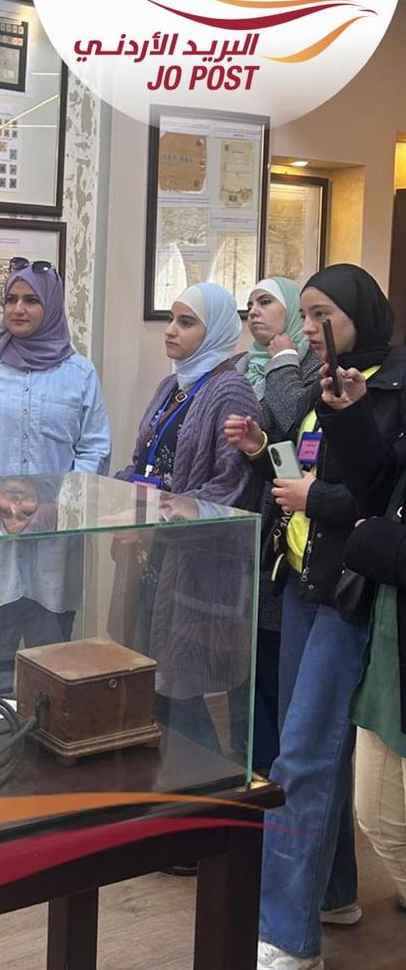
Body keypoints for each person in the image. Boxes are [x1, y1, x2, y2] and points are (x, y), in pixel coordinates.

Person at [224, 264, 406, 970]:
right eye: (303, 314)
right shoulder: (322, 383)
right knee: (313, 755)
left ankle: (284, 938)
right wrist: (258, 456)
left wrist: (317, 496)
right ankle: (329, 896)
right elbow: (301, 469)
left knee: (302, 757)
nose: (308, 328)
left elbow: (374, 500)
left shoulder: (391, 386)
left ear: (361, 313)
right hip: (304, 581)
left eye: (321, 313)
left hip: (351, 594)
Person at [0, 258, 111, 693]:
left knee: (52, 659)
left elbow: (95, 448)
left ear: (51, 306)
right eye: (11, 299)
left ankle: (46, 735)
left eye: (31, 300)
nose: (18, 309)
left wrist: (54, 507)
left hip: (54, 540)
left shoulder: (80, 374)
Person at [114, 282, 261, 756]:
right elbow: (144, 461)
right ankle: (165, 779)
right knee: (153, 682)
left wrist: (161, 512)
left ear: (215, 329)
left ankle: (207, 782)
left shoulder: (232, 392)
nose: (170, 331)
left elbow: (230, 487)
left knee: (183, 694)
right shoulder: (172, 385)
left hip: (197, 562)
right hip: (155, 554)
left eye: (185, 322)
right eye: (170, 320)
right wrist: (116, 492)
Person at [315, 348, 406, 922]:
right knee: (378, 814)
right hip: (391, 636)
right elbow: (381, 493)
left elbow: (374, 522)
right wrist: (351, 416)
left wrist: (371, 541)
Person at [235, 277, 324, 773]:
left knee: (275, 665)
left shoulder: (307, 368)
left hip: (287, 533)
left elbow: (290, 422)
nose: (254, 312)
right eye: (249, 304)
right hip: (251, 523)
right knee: (247, 668)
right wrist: (256, 448)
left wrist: (284, 361)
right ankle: (252, 765)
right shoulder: (242, 366)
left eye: (266, 302)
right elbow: (280, 453)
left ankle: (274, 771)